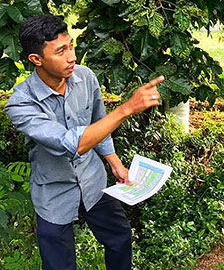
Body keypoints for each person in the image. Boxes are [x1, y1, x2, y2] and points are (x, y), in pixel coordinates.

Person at [5, 15, 164, 270]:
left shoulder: (85, 77)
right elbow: (72, 143)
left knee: (120, 238)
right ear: (36, 59)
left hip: (93, 181)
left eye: (71, 46)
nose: (71, 57)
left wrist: (114, 163)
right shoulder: (21, 103)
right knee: (59, 266)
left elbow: (98, 123)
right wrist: (126, 109)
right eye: (60, 51)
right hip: (54, 191)